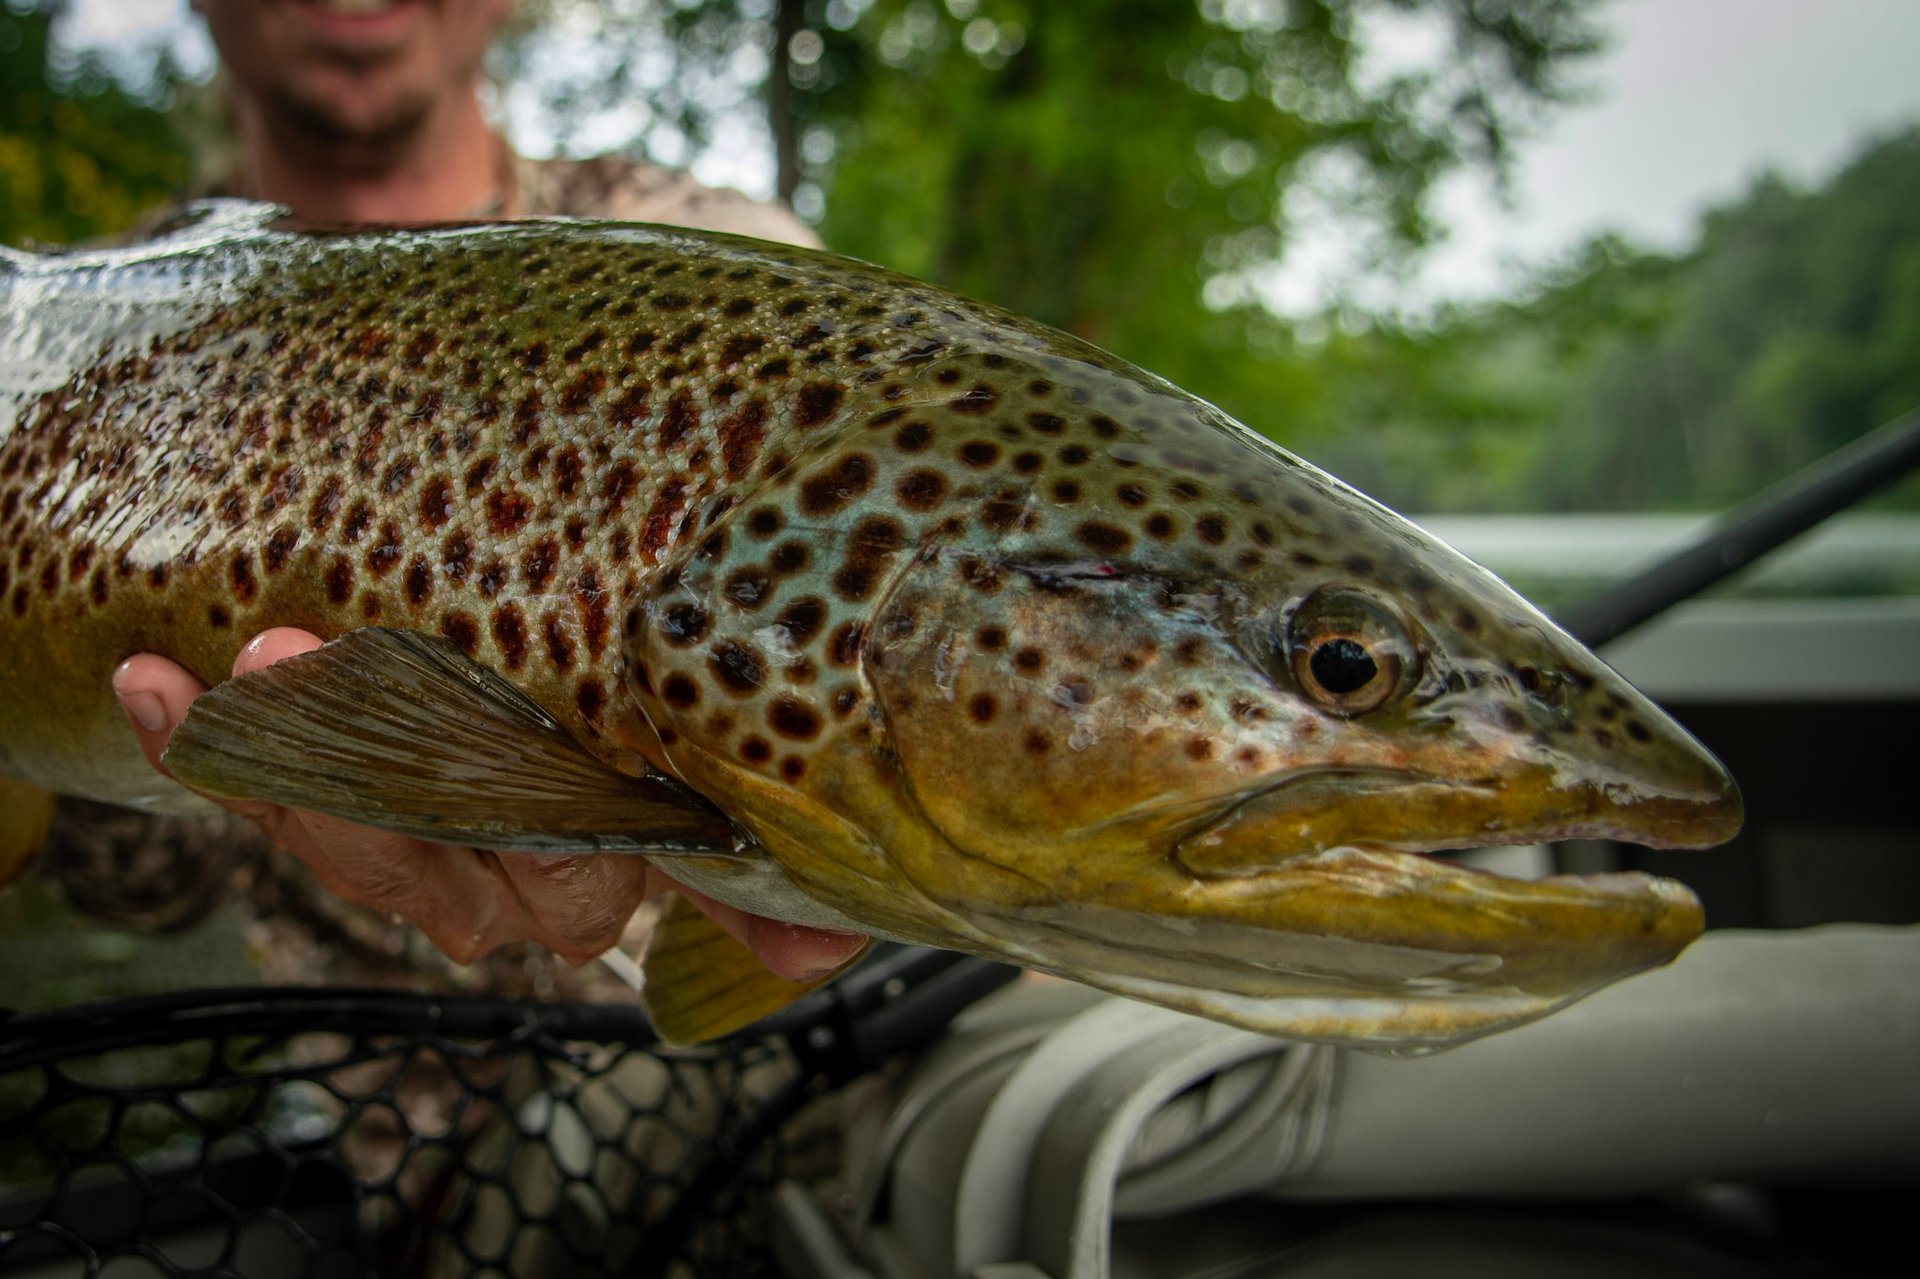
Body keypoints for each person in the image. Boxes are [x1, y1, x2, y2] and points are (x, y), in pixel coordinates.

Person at [100, 0, 863, 988]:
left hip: (775, 1049)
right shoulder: (98, 341)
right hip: (372, 1101)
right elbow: (131, 895)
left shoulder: (742, 280)